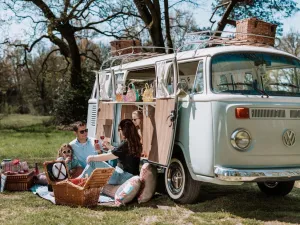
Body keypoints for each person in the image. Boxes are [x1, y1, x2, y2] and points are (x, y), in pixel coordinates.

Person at [86, 119, 142, 185]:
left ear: (124, 130)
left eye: (119, 129)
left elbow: (108, 157)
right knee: (93, 165)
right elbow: (122, 153)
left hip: (122, 177)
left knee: (93, 162)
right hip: (130, 176)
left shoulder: (125, 144)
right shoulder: (136, 143)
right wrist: (110, 147)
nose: (119, 132)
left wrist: (91, 157)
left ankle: (81, 181)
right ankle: (83, 181)